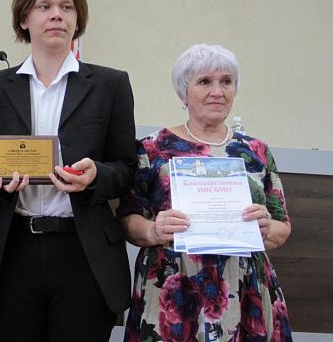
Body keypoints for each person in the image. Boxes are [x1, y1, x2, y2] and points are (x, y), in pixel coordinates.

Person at [0, 0, 137, 342]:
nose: (57, 15)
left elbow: (126, 168)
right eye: (44, 6)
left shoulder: (110, 84)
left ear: (78, 19)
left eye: (66, 7)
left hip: (84, 251)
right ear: (24, 18)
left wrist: (96, 175)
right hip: (13, 250)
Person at [118, 44, 292, 341]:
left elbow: (282, 226)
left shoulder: (257, 151)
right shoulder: (151, 149)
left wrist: (265, 227)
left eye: (226, 81)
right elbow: (127, 218)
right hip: (173, 288)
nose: (217, 91)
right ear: (183, 93)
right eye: (204, 82)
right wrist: (153, 230)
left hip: (245, 287)